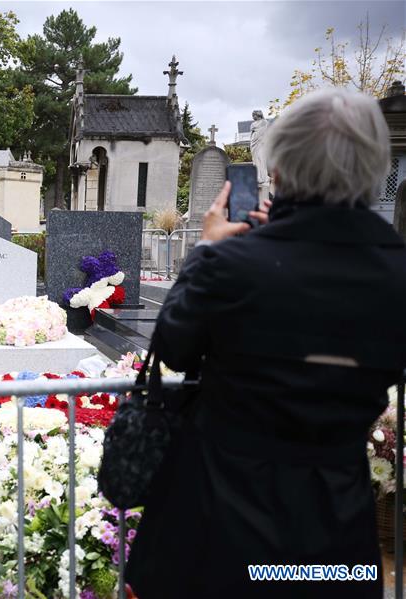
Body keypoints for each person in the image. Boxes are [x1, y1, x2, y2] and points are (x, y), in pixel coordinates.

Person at [126, 87, 406, 598]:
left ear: (279, 168)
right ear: (373, 167)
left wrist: (208, 251)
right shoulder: (396, 273)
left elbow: (175, 347)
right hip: (337, 524)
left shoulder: (231, 264)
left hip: (218, 519)